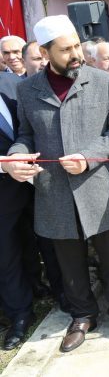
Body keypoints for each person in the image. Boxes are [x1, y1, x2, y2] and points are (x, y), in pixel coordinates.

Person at [2, 15, 109, 352]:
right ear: (45, 53)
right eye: (65, 50)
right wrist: (16, 157)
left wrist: (89, 157)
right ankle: (83, 315)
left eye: (77, 45)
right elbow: (26, 135)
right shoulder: (28, 90)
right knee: (68, 260)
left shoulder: (102, 81)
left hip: (98, 186)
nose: (76, 54)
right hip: (54, 191)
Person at [0, 72, 34, 350]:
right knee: (6, 255)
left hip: (37, 184)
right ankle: (20, 313)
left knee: (46, 245)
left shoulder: (13, 83)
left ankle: (58, 292)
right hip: (2, 192)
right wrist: (4, 164)